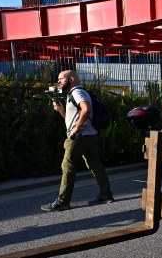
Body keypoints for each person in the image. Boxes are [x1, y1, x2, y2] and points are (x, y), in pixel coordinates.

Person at [42, 70, 113, 211]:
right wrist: (62, 111)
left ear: (72, 79)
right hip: (89, 135)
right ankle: (106, 195)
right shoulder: (73, 94)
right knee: (95, 165)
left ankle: (63, 202)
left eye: (61, 79)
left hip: (81, 137)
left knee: (68, 165)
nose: (58, 82)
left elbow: (86, 108)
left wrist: (77, 127)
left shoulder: (77, 92)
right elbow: (72, 118)